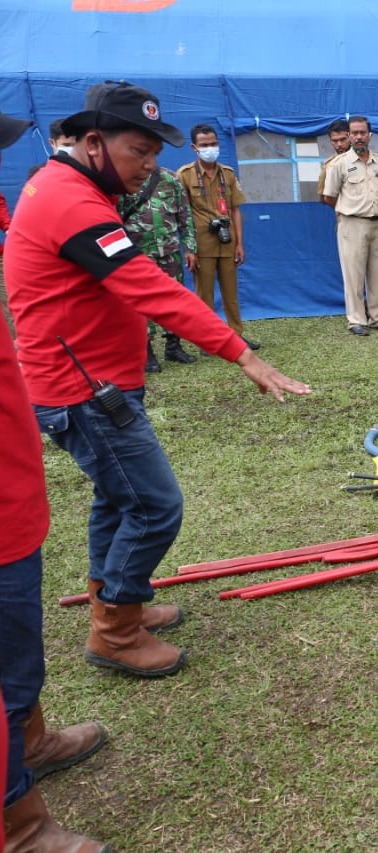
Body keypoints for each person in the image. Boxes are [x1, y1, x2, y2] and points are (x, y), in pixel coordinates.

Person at [4, 81, 311, 680]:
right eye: (140, 151)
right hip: (84, 388)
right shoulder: (70, 200)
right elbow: (147, 286)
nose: (150, 166)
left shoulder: (69, 187)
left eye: (153, 153)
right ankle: (115, 630)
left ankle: (119, 601)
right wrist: (242, 354)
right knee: (154, 505)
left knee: (117, 500)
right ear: (94, 142)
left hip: (92, 379)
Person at [1, 107, 113, 852]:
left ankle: (28, 738)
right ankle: (17, 819)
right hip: (52, 412)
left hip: (12, 480)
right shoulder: (60, 197)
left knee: (17, 632)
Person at [177, 123, 258, 349]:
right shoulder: (184, 175)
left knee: (231, 293)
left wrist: (240, 243)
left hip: (228, 242)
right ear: (194, 147)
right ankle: (209, 340)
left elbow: (235, 210)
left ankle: (235, 336)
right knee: (204, 295)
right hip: (202, 244)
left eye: (213, 144)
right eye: (204, 145)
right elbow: (181, 215)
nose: (210, 148)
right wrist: (189, 249)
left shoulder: (228, 174)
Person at [119, 167, 199, 370]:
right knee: (142, 303)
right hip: (139, 254)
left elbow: (185, 215)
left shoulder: (170, 178)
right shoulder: (124, 179)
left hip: (169, 251)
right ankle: (146, 352)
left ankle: (173, 346)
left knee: (174, 300)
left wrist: (190, 248)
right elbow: (115, 218)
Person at [322, 116, 378, 335]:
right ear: (349, 136)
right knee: (353, 274)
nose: (359, 137)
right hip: (352, 224)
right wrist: (348, 210)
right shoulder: (339, 164)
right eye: (355, 133)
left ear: (369, 135)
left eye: (363, 133)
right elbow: (329, 196)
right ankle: (356, 320)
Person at [317, 119, 351, 204]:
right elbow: (323, 197)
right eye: (335, 141)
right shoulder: (329, 165)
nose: (339, 144)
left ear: (350, 137)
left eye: (343, 139)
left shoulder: (366, 159)